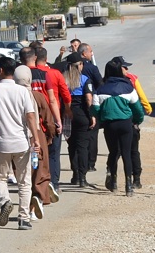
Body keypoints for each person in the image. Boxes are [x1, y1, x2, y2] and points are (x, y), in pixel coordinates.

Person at [0, 58, 40, 230]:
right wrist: (35, 138)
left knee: (0, 178)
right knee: (24, 181)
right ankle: (24, 218)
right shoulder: (22, 91)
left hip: (1, 143)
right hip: (21, 142)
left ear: (0, 70)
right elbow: (30, 116)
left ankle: (6, 200)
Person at [93, 58, 146, 196]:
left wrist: (102, 119)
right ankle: (129, 185)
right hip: (126, 124)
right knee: (126, 153)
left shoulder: (100, 89)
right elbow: (138, 109)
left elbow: (95, 109)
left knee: (113, 152)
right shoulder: (128, 87)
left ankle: (114, 182)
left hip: (110, 125)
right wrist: (137, 121)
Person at [14, 66, 58, 218]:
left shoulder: (12, 96)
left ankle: (27, 207)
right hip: (36, 135)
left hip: (17, 135)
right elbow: (48, 119)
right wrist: (51, 135)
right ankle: (38, 198)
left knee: (24, 173)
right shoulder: (37, 96)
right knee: (41, 170)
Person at [31, 45, 70, 188]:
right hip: (52, 117)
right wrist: (66, 112)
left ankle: (37, 183)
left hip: (33, 119)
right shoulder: (54, 73)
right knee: (54, 153)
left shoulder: (27, 74)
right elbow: (65, 95)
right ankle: (54, 183)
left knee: (36, 152)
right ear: (46, 58)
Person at [62, 49, 98, 189]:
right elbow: (88, 99)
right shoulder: (84, 80)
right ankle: (82, 177)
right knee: (82, 146)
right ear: (80, 65)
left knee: (72, 146)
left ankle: (75, 174)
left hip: (67, 114)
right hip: (81, 114)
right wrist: (92, 115)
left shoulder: (63, 80)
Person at [119, 60, 152, 189]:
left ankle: (112, 175)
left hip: (116, 119)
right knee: (133, 151)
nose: (127, 69)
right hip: (131, 119)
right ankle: (136, 179)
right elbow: (141, 96)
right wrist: (147, 108)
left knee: (116, 151)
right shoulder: (132, 79)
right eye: (125, 67)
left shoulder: (109, 80)